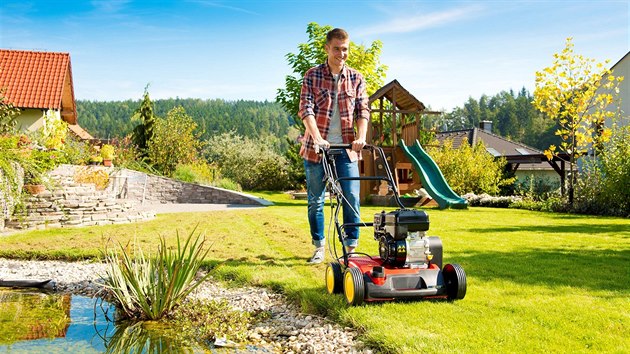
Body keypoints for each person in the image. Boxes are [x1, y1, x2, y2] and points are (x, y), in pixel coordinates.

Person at [298, 28, 370, 264]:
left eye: (345, 49)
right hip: (316, 148)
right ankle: (319, 247)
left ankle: (351, 249)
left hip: (347, 149)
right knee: (316, 199)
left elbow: (363, 110)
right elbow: (306, 110)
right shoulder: (312, 75)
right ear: (327, 48)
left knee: (351, 195)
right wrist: (318, 138)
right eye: (337, 48)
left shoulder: (357, 78)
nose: (342, 53)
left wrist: (361, 136)